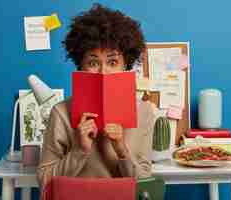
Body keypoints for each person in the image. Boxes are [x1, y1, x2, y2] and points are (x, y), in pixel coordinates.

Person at [37, 3, 155, 190]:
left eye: (112, 61)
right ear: (81, 66)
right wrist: (79, 150)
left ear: (125, 65)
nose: (103, 72)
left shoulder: (144, 111)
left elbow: (145, 186)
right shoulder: (60, 112)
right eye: (93, 62)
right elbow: (44, 183)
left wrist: (121, 149)